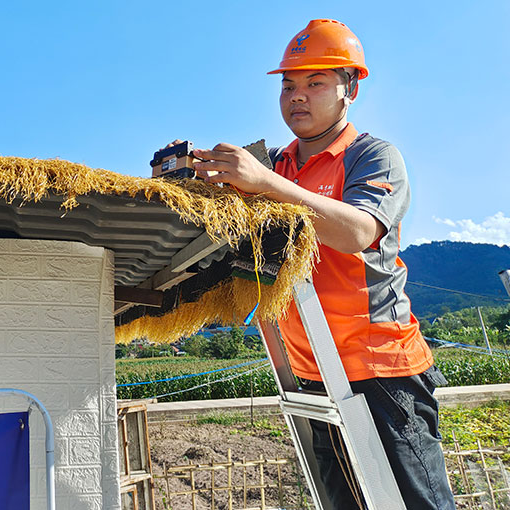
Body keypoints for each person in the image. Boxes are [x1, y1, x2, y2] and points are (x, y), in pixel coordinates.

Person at [188, 19, 456, 509]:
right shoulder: (279, 166)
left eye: (315, 83)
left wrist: (264, 184)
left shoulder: (371, 155)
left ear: (350, 88)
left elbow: (356, 231)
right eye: (289, 84)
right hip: (313, 376)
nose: (297, 96)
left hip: (382, 373)